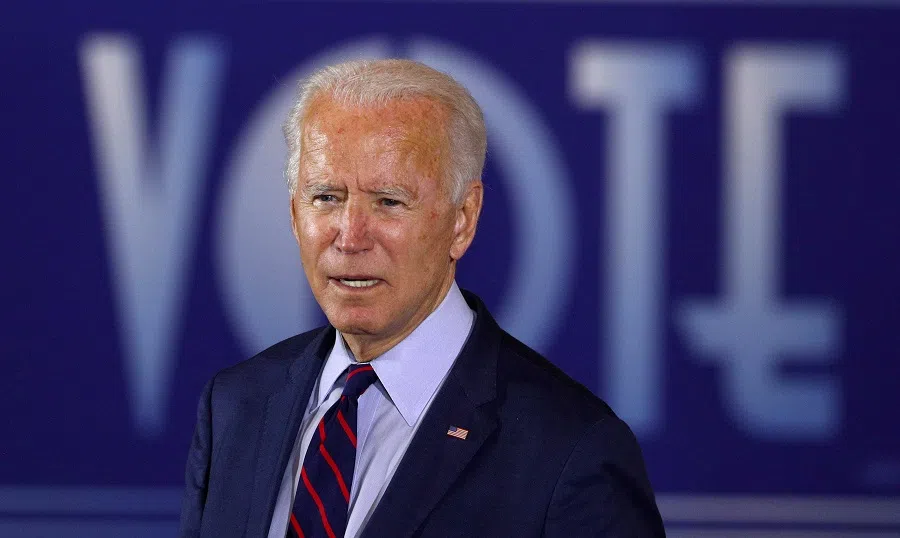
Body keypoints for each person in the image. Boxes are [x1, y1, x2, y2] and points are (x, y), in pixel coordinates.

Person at [179, 59, 665, 538]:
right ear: (293, 214)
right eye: (326, 197)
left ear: (463, 219)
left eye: (388, 202)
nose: (350, 237)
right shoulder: (235, 408)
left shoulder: (570, 453)